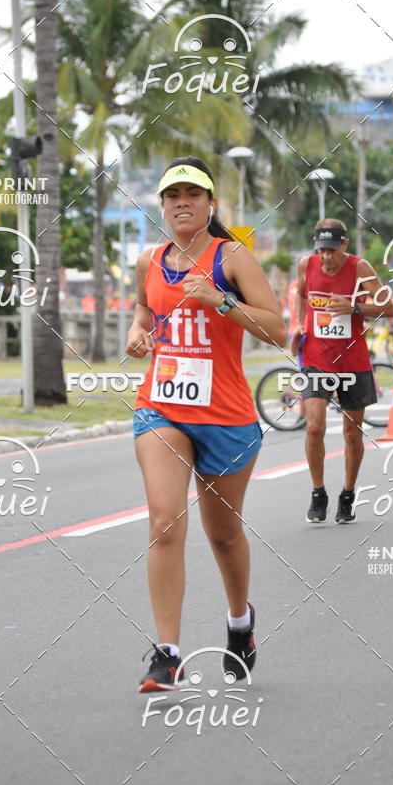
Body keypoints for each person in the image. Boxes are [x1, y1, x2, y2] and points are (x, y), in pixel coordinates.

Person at [126, 157, 286, 693]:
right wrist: (137, 332)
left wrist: (221, 300)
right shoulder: (152, 259)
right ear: (163, 205)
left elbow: (276, 330)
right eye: (172, 196)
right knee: (164, 521)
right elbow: (146, 312)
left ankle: (240, 623)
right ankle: (167, 654)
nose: (182, 203)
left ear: (210, 204)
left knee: (223, 535)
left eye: (192, 194)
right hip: (162, 407)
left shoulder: (232, 256)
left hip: (226, 415)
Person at [290, 219, 393, 524]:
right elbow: (300, 295)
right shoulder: (305, 265)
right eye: (321, 250)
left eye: (332, 250)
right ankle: (318, 492)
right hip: (315, 357)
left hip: (352, 361)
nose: (326, 257)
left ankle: (347, 494)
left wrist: (355, 307)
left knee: (352, 432)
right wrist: (298, 323)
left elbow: (389, 308)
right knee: (314, 427)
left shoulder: (360, 268)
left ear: (345, 245)